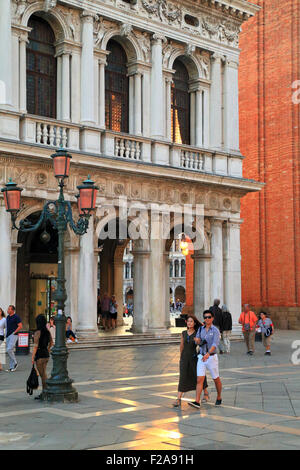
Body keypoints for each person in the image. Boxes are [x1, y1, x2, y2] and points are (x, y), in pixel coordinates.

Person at [173, 314, 209, 407]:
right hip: (184, 358)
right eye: (188, 321)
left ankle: (206, 393)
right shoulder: (183, 333)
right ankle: (178, 398)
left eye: (191, 321)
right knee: (183, 377)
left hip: (194, 358)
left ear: (194, 323)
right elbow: (181, 346)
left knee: (199, 377)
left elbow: (201, 343)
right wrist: (181, 357)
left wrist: (198, 340)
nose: (189, 323)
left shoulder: (197, 332)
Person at [188, 310, 222, 409]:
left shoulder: (215, 330)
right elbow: (198, 341)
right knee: (199, 379)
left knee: (216, 379)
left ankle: (219, 396)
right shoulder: (200, 329)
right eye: (205, 317)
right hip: (201, 357)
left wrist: (208, 353)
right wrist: (197, 341)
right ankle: (197, 401)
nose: (207, 319)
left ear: (212, 318)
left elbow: (215, 345)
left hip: (211, 357)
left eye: (209, 317)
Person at [31, 314, 53, 399]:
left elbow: (35, 346)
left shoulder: (37, 332)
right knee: (43, 373)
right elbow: (51, 343)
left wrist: (32, 357)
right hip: (46, 355)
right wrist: (47, 350)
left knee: (43, 375)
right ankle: (45, 391)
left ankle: (45, 392)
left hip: (39, 355)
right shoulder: (47, 332)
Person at [6, 305, 22, 372]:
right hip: (8, 335)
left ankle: (15, 363)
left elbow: (20, 326)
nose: (8, 310)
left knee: (9, 349)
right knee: (10, 351)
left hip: (14, 335)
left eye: (9, 309)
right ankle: (11, 367)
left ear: (13, 310)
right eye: (8, 309)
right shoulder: (8, 317)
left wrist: (14, 332)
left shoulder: (16, 317)